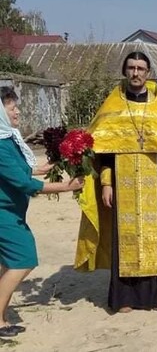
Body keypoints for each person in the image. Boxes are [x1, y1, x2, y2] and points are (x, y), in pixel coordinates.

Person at [74, 51, 157, 313]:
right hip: (122, 182)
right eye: (131, 68)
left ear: (148, 73)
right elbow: (102, 151)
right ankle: (124, 297)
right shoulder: (112, 106)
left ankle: (156, 296)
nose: (136, 73)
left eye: (140, 68)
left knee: (155, 237)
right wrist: (106, 184)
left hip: (155, 182)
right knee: (123, 238)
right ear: (124, 71)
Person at [0, 87, 84, 337]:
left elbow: (19, 170)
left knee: (9, 263)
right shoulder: (0, 145)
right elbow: (24, 184)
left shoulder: (7, 139)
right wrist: (67, 186)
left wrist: (46, 167)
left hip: (12, 210)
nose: (17, 111)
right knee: (23, 260)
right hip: (3, 213)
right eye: (11, 108)